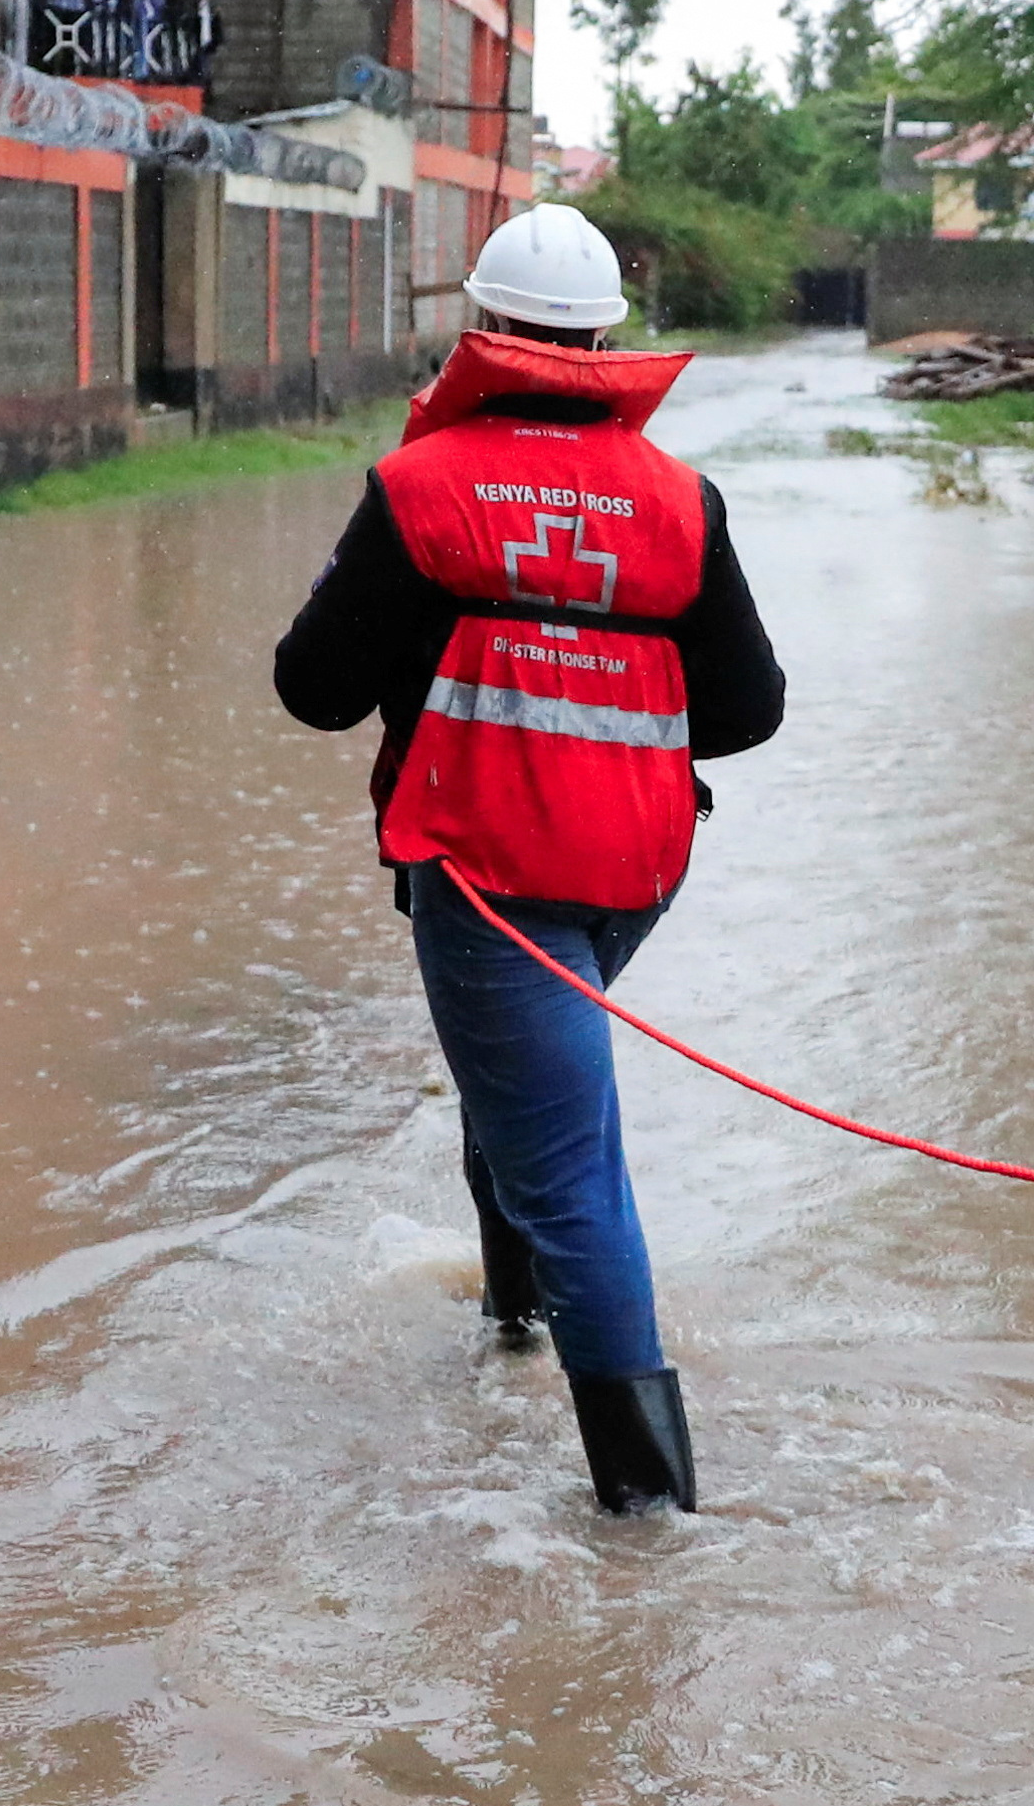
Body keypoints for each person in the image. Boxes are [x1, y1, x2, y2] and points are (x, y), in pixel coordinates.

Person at [270, 203, 783, 1514]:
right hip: (638, 874)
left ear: (483, 328)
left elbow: (314, 688)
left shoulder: (423, 490)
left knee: (569, 1172)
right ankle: (508, 1325)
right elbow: (746, 708)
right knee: (516, 1094)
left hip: (493, 880)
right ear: (606, 336)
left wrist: (439, 631)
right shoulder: (682, 500)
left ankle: (650, 1520)